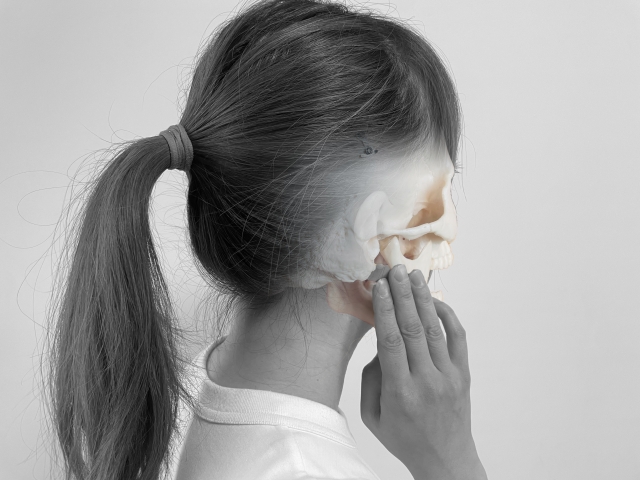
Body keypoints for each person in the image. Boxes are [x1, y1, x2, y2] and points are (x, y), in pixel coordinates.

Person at [47, 0, 487, 479]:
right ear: (356, 244)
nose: (448, 232)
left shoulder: (173, 405)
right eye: (433, 200)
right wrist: (451, 460)